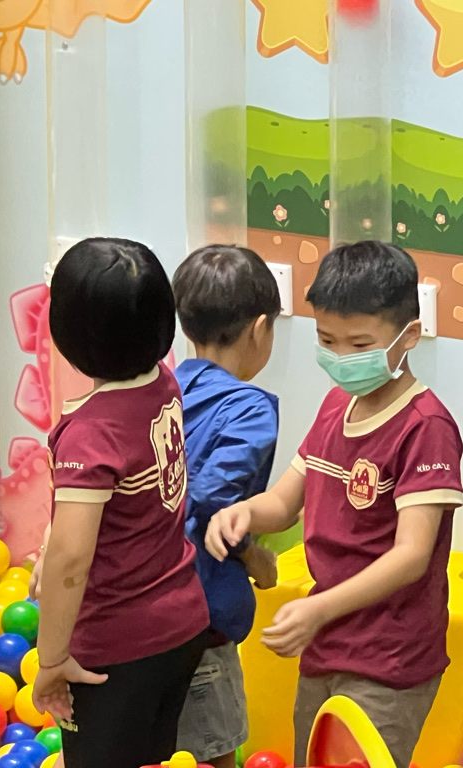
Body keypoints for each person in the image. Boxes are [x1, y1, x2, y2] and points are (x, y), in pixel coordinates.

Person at [206, 240, 463, 768]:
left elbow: (411, 555)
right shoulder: (334, 406)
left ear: (409, 336)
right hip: (326, 645)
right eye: (327, 340)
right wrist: (245, 512)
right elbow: (286, 501)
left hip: (389, 659)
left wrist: (318, 609)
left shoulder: (425, 427)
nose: (341, 357)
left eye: (360, 344)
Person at [32, 238, 209, 768]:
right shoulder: (163, 384)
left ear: (66, 332)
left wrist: (51, 659)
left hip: (116, 648)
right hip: (180, 625)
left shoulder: (90, 434)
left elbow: (71, 558)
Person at [171, 244, 283, 768]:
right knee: (215, 752)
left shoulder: (161, 388)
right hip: (200, 619)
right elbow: (212, 504)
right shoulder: (249, 410)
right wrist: (253, 558)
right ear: (260, 329)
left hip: (135, 607)